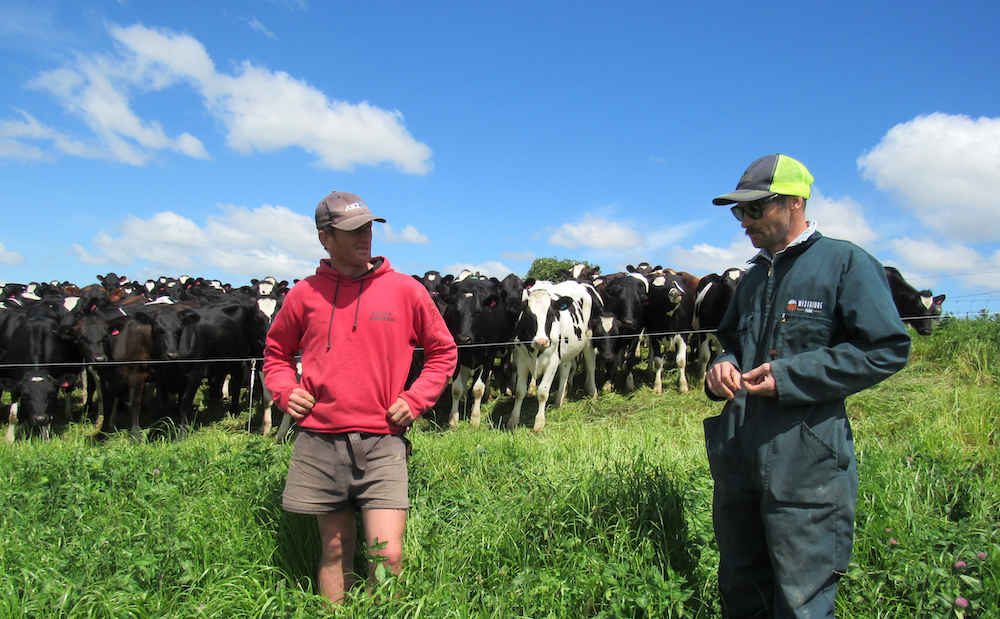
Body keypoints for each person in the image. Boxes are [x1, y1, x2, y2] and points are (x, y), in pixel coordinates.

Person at [703, 154, 911, 618]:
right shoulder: (753, 275)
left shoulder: (845, 263)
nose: (743, 222)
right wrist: (723, 364)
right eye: (739, 212)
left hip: (806, 455)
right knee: (740, 585)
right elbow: (732, 339)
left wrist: (789, 376)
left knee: (802, 598)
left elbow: (886, 348)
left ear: (794, 203)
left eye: (754, 209)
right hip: (738, 448)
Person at [263, 191, 457, 604]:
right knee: (334, 549)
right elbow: (276, 355)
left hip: (383, 439)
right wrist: (284, 390)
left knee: (387, 555)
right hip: (319, 441)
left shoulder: (406, 291)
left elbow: (443, 352)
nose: (365, 236)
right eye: (352, 230)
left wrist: (417, 397)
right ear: (325, 238)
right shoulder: (304, 294)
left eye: (368, 227)